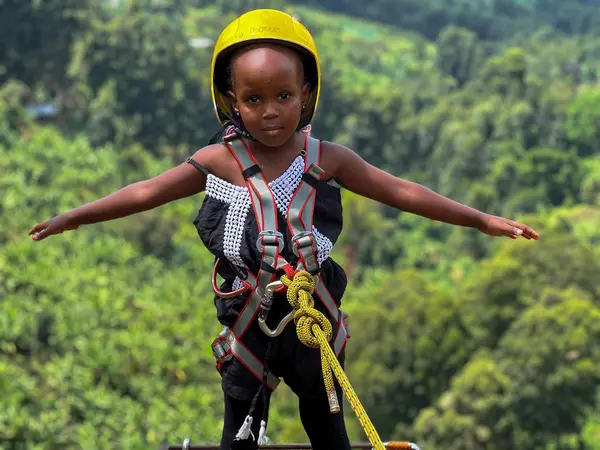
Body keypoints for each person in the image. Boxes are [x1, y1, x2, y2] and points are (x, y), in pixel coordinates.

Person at [28, 9, 539, 450]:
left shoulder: (327, 159)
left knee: (326, 422)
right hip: (250, 319)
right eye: (253, 100)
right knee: (240, 428)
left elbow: (401, 191)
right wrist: (74, 216)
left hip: (310, 316)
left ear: (306, 94)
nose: (269, 112)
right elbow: (145, 192)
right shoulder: (221, 160)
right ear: (232, 101)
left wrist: (480, 220)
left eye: (283, 96)